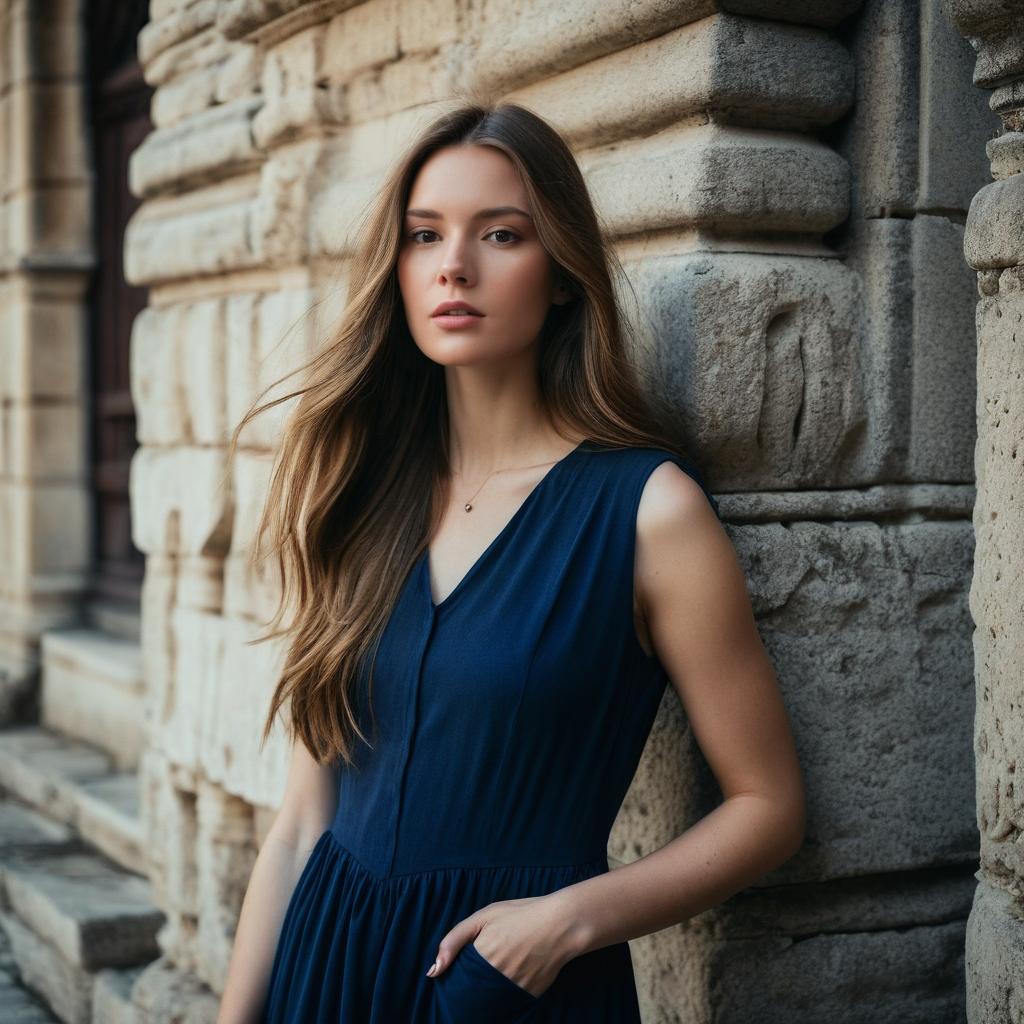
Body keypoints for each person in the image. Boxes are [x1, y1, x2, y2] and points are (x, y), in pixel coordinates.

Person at [215, 101, 806, 1024]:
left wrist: (573, 921)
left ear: (563, 274)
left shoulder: (649, 512)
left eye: (501, 233)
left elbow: (768, 806)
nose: (454, 265)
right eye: (423, 235)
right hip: (327, 971)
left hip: (511, 990)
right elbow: (300, 822)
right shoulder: (361, 498)